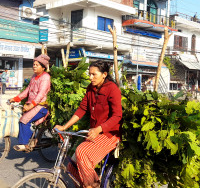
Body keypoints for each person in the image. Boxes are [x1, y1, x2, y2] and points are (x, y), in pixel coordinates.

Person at [54, 60, 122, 188]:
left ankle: (93, 185)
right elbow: (82, 109)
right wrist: (64, 127)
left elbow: (117, 116)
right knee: (71, 167)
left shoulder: (112, 89)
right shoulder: (91, 88)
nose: (90, 77)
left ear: (104, 74)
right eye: (89, 74)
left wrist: (99, 129)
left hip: (109, 135)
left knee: (82, 151)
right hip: (94, 133)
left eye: (94, 74)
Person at [9, 54, 51, 151]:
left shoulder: (45, 77)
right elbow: (27, 90)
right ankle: (30, 139)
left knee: (24, 120)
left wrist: (31, 105)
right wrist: (15, 98)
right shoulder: (34, 77)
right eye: (34, 64)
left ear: (43, 67)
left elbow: (41, 94)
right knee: (21, 118)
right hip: (32, 106)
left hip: (41, 107)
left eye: (37, 65)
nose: (34, 66)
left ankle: (25, 145)